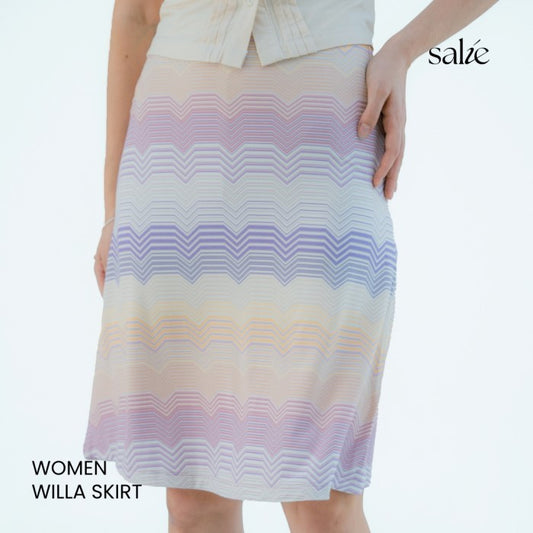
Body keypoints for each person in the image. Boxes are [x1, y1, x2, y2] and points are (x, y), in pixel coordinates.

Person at [87, 0, 499, 532]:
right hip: (173, 155)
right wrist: (114, 209)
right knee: (192, 495)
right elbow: (138, 15)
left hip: (327, 144)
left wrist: (403, 50)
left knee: (321, 498)